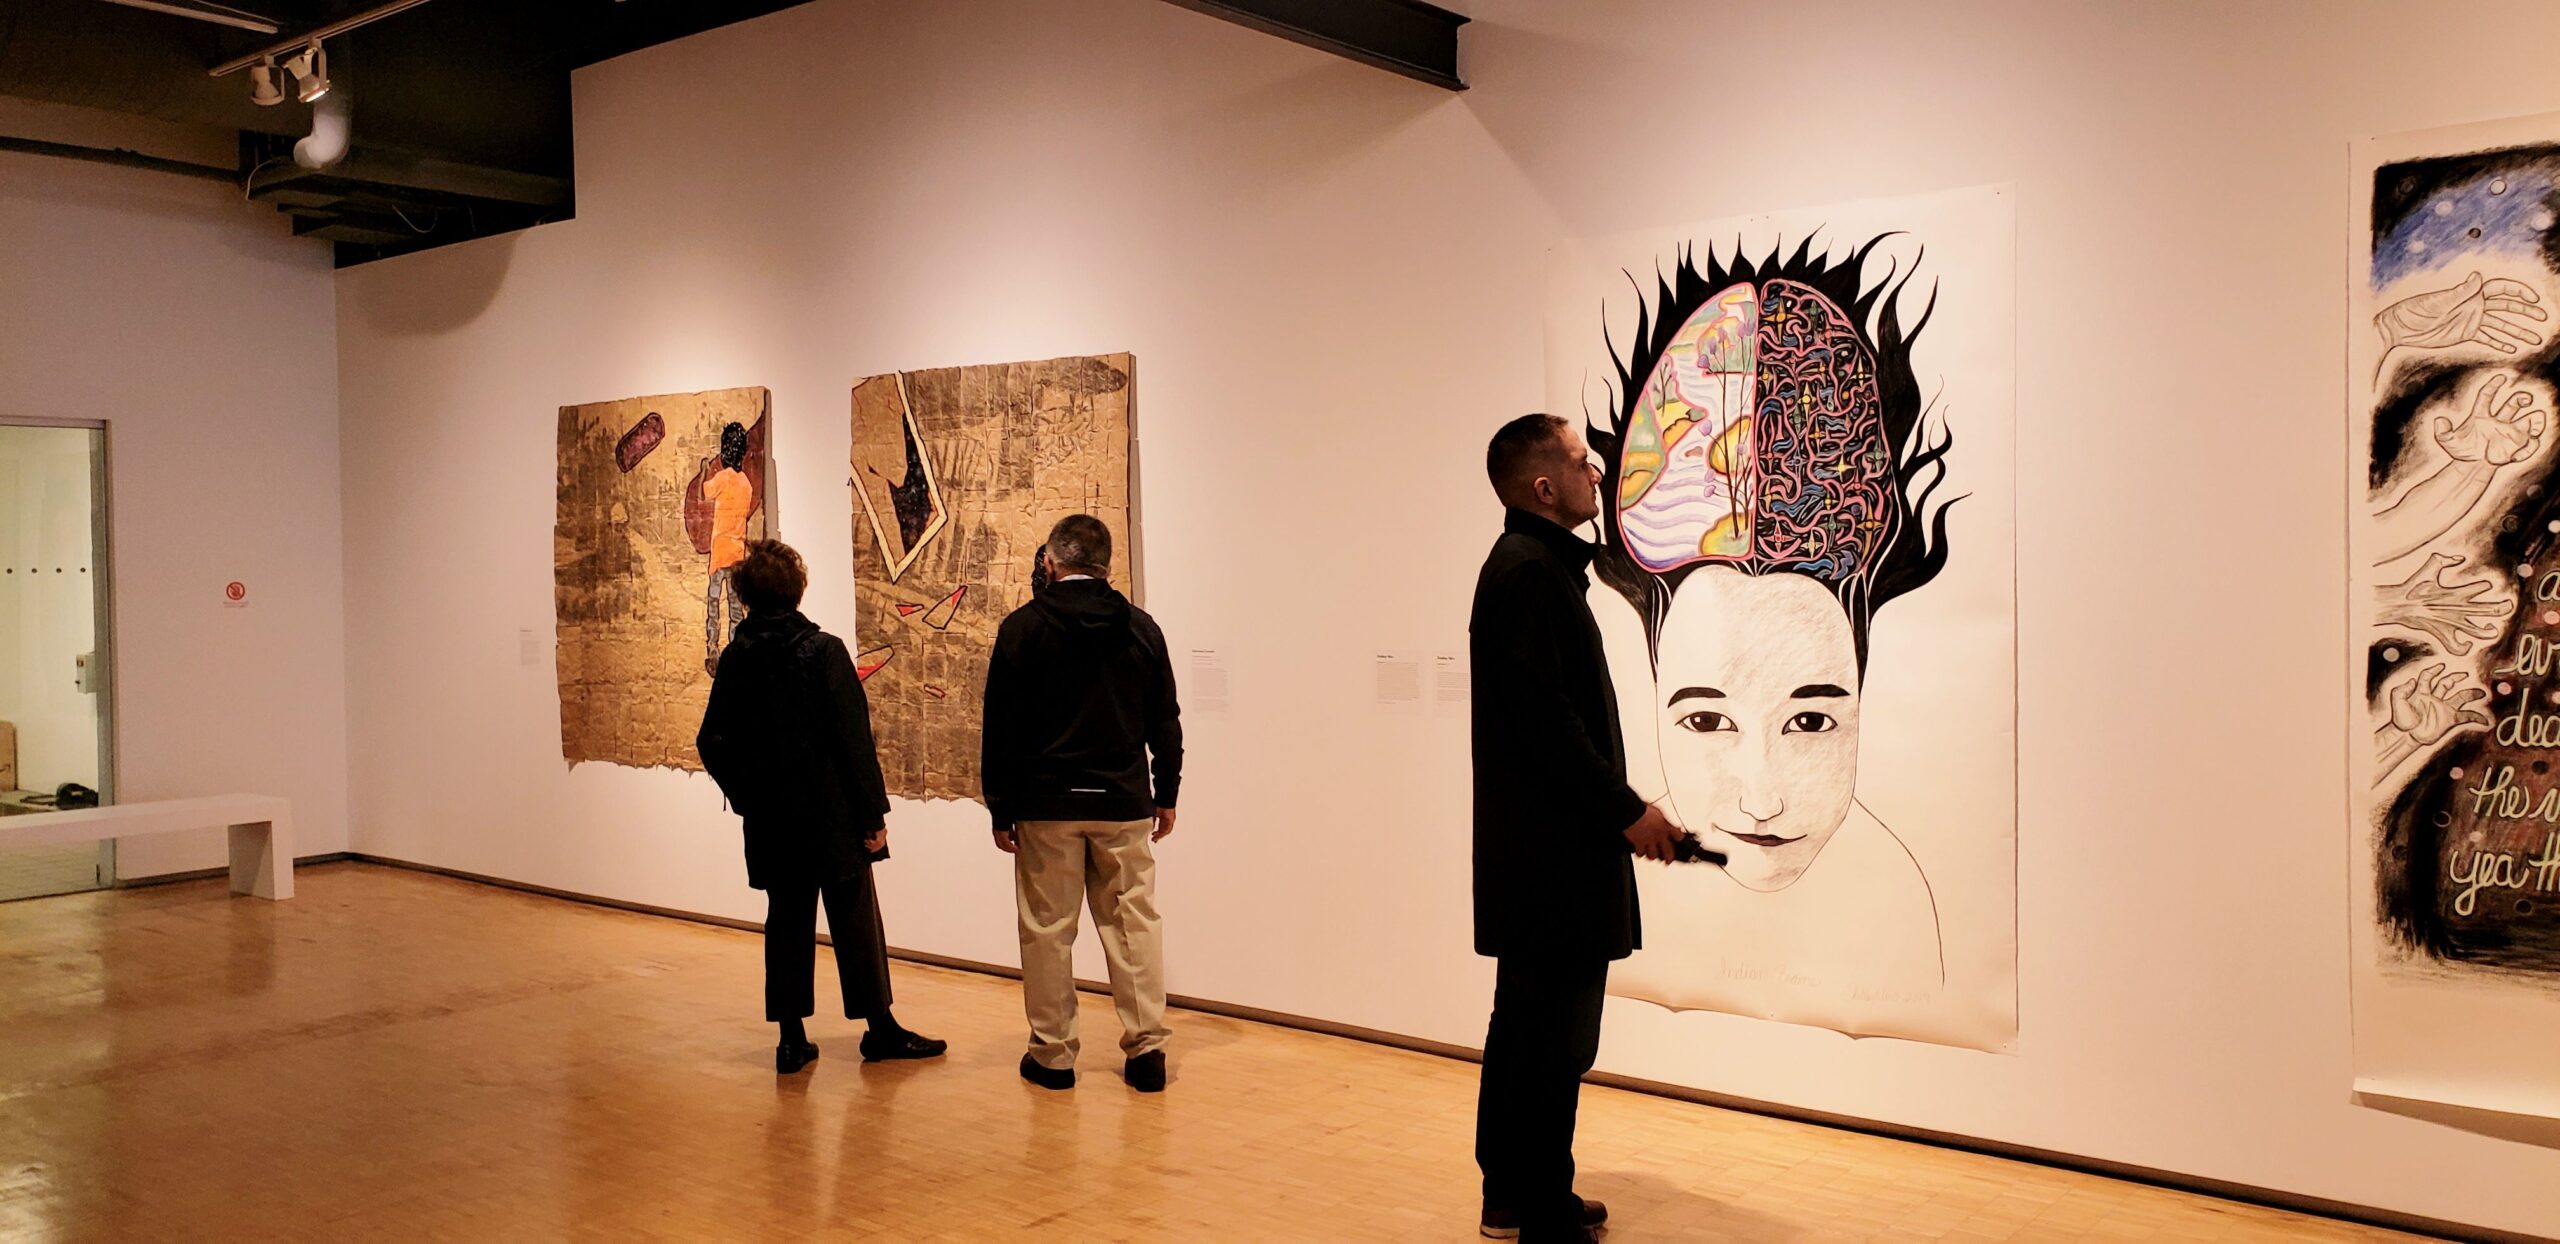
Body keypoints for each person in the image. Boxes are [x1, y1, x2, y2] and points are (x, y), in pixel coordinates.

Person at [1471, 414, 1683, 1243]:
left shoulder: (1535, 570)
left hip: (1543, 855)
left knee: (1531, 1029)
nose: (1597, 471)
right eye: (1580, 461)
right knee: (1549, 1038)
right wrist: (1628, 812)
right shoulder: (1527, 573)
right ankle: (1537, 1209)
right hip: (1550, 860)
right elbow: (1546, 724)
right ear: (1543, 486)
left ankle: (1515, 1196)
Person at [697, 539, 945, 1073]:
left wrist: (747, 797)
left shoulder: (738, 657)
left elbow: (712, 741)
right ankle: (879, 1029)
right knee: (855, 920)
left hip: (773, 821)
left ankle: (791, 1039)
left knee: (786, 921)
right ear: (796, 589)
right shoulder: (823, 650)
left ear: (745, 594)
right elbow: (853, 740)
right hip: (831, 818)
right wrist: (873, 815)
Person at [981, 514, 1183, 1093]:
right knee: (1132, 925)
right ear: (1106, 564)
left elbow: (1000, 727)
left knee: (1047, 930)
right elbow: (1164, 721)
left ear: (1050, 562)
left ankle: (1053, 1055)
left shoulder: (1022, 629)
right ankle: (1146, 1052)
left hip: (1046, 805)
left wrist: (1000, 804)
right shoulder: (1142, 629)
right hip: (1122, 801)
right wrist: (1165, 791)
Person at [703, 421, 754, 674]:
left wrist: (704, 470)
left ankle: (712, 649)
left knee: (714, 605)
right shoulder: (746, 485)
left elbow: (705, 492)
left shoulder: (720, 479)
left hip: (718, 554)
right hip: (737, 556)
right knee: (736, 608)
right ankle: (735, 653)